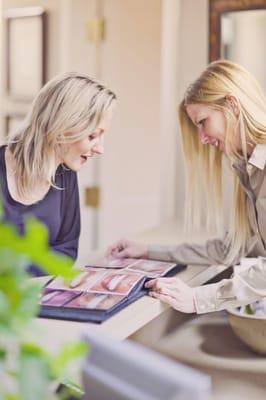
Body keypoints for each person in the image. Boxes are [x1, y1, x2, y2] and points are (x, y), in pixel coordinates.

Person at [106, 60, 266, 314]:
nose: (202, 138)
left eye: (203, 121)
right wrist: (148, 251)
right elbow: (235, 247)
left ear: (233, 106)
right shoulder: (250, 170)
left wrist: (198, 298)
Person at [0, 72, 116, 276]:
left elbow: (66, 251)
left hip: (36, 298)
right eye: (93, 136)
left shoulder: (65, 173)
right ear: (63, 127)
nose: (100, 149)